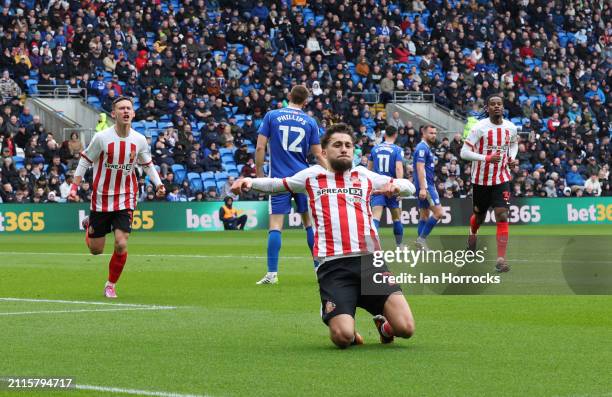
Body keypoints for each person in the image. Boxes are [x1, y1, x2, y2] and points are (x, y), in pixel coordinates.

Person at [232, 123, 416, 348]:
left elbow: (409, 186)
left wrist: (397, 188)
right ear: (325, 151)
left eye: (348, 145)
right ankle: (335, 310)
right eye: (337, 145)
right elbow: (277, 184)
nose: (344, 149)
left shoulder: (364, 175)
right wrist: (248, 182)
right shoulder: (312, 176)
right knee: (343, 338)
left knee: (406, 329)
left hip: (371, 264)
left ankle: (384, 326)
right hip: (334, 267)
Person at [69, 96, 166, 298]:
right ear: (114, 114)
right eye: (121, 108)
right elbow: (85, 161)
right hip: (102, 198)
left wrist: (158, 184)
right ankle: (90, 226)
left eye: (129, 108)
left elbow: (147, 164)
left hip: (126, 197)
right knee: (96, 250)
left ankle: (110, 284)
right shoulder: (102, 138)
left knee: (121, 243)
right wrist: (73, 188)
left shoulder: (139, 140)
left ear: (133, 113)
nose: (125, 111)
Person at [254, 84, 326, 285]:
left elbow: (260, 147)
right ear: (305, 101)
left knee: (275, 226)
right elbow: (318, 154)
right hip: (303, 178)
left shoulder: (272, 116)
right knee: (308, 223)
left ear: (288, 96)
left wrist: (259, 174)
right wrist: (332, 173)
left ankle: (272, 274)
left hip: (278, 179)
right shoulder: (310, 121)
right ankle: (318, 269)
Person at [460, 94, 518, 272]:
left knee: (502, 214)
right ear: (488, 108)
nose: (496, 107)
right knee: (479, 217)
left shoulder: (511, 127)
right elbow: (464, 153)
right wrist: (486, 158)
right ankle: (473, 233)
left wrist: (511, 158)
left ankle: (501, 259)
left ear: (503, 107)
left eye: (499, 104)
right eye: (492, 104)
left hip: (501, 178)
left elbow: (513, 144)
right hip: (481, 180)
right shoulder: (479, 128)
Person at [368, 126, 405, 247]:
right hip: (391, 186)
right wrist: (399, 188)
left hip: (378, 186)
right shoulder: (397, 149)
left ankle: (372, 247)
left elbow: (369, 169)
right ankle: (399, 246)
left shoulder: (375, 148)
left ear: (385, 135)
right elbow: (399, 168)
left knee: (376, 217)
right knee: (396, 218)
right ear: (395, 135)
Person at [413, 125, 444, 249]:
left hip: (426, 185)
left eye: (435, 133)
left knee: (424, 215)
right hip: (425, 186)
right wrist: (422, 188)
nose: (434, 135)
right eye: (431, 133)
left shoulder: (426, 148)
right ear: (424, 133)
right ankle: (421, 240)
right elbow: (420, 168)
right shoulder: (422, 148)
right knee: (439, 212)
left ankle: (420, 244)